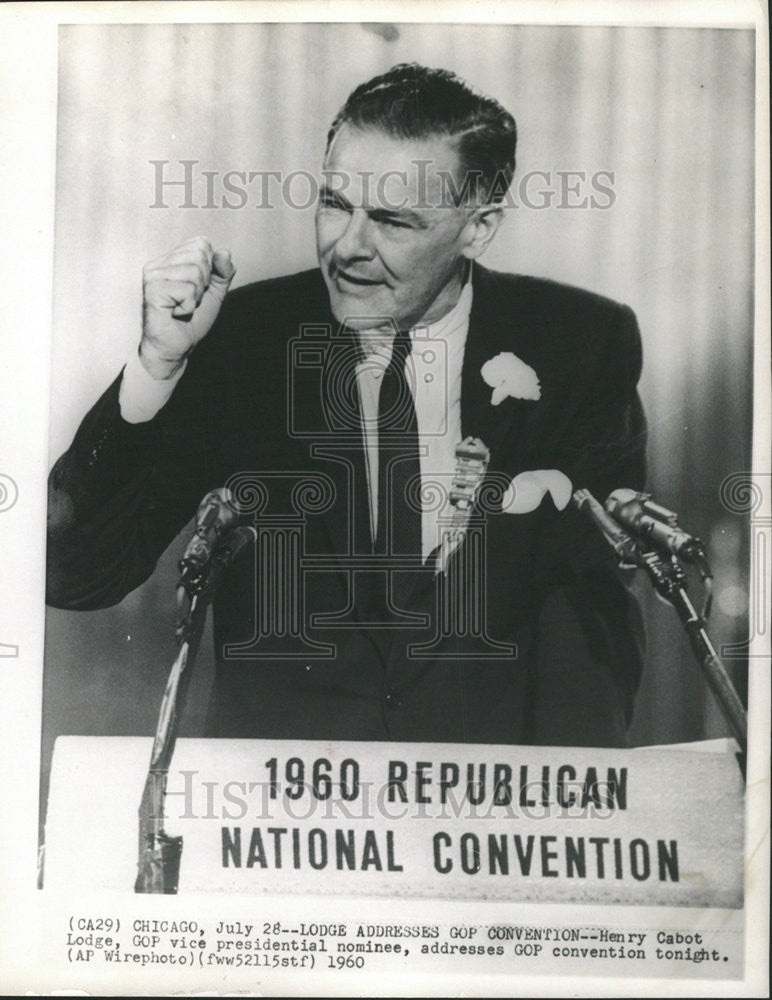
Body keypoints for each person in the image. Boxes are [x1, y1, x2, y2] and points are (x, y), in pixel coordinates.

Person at [46, 63, 647, 747]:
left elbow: (597, 622)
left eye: (393, 220)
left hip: (492, 821)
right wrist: (157, 364)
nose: (348, 247)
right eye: (335, 204)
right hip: (285, 821)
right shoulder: (242, 339)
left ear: (478, 229)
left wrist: (563, 813)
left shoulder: (580, 343)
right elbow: (74, 576)